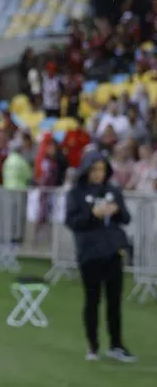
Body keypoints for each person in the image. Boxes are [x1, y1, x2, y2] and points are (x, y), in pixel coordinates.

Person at [65, 151, 136, 362]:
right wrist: (92, 214)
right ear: (86, 170)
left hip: (112, 251)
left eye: (102, 170)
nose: (98, 174)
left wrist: (116, 210)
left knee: (114, 301)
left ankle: (116, 344)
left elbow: (126, 218)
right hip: (90, 253)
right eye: (94, 170)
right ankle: (93, 346)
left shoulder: (113, 190)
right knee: (92, 300)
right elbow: (72, 222)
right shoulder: (76, 193)